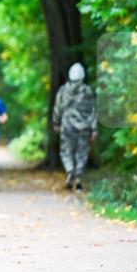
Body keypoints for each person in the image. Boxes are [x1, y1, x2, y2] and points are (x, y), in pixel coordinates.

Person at [52, 62, 98, 191]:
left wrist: (56, 122)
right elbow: (93, 111)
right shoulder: (88, 91)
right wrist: (94, 129)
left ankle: (69, 170)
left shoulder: (63, 90)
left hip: (67, 126)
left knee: (66, 151)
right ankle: (77, 178)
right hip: (84, 127)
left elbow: (57, 108)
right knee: (81, 153)